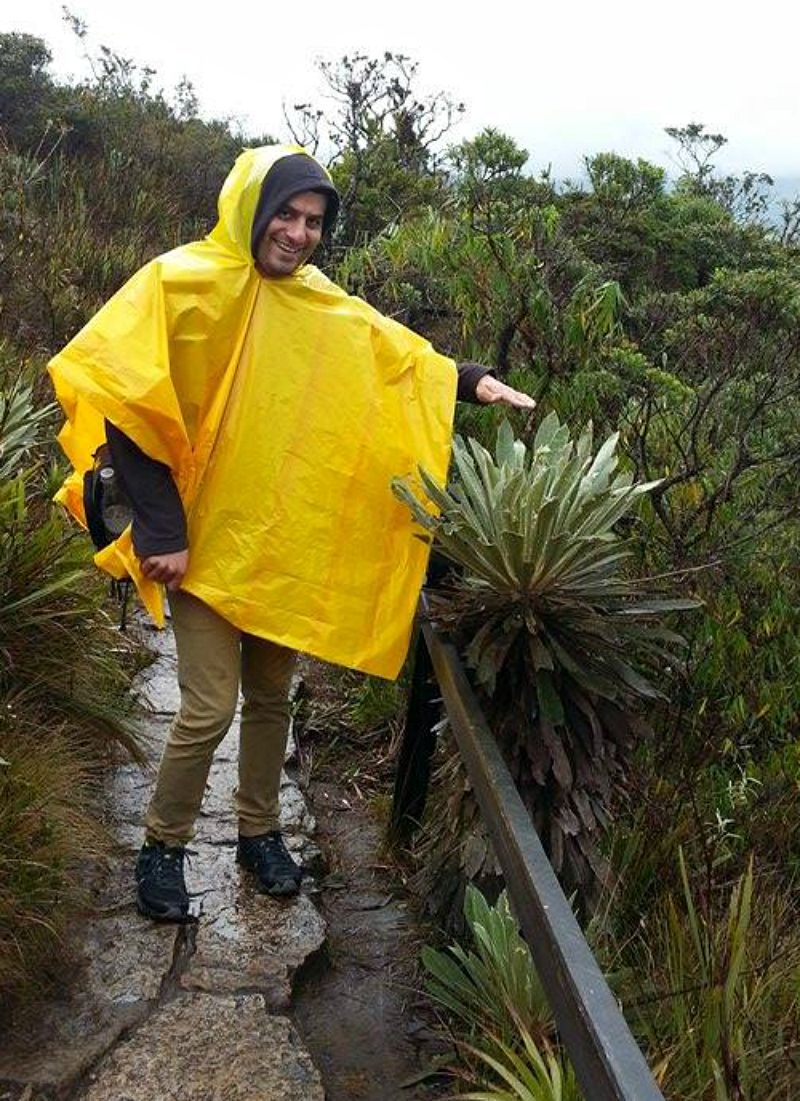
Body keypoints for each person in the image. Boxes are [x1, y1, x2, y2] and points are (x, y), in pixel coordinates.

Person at [49, 145, 535, 922]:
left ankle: (258, 831)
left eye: (314, 221)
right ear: (253, 208)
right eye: (287, 214)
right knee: (209, 705)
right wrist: (162, 532)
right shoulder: (180, 284)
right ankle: (163, 846)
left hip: (273, 543)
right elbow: (128, 413)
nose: (300, 234)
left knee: (271, 695)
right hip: (199, 542)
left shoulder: (314, 301)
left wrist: (472, 379)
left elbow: (389, 349)